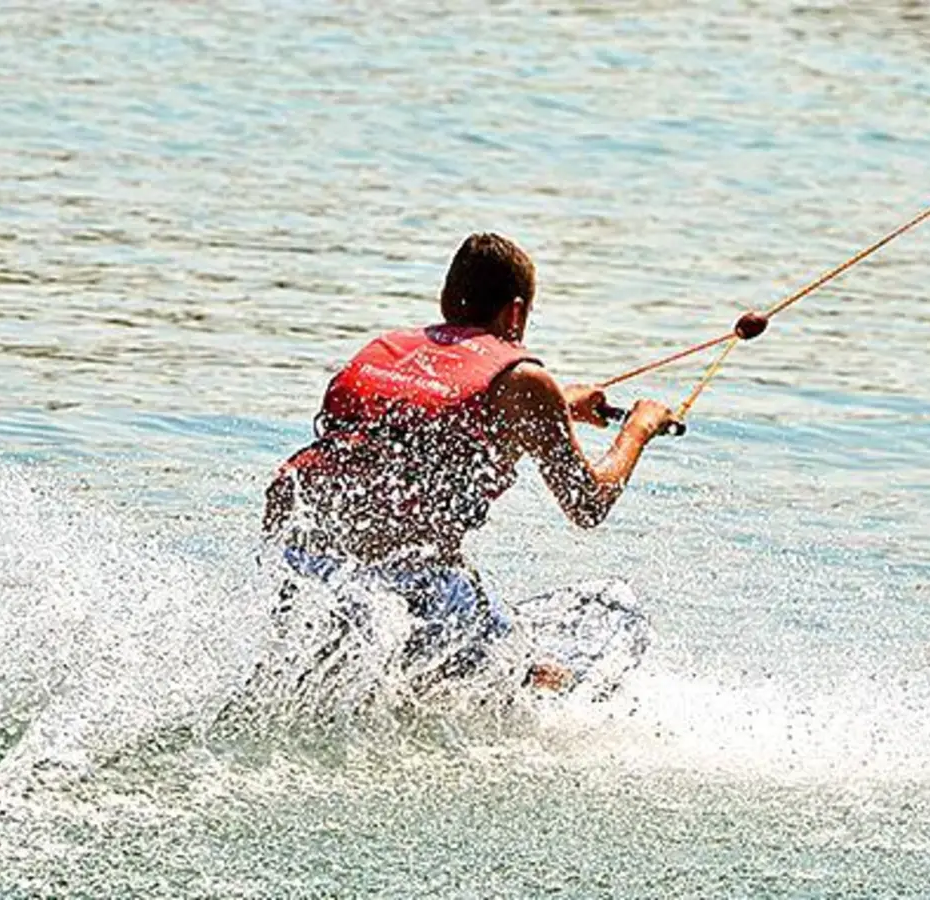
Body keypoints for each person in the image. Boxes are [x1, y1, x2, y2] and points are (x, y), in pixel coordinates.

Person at [260, 233, 677, 695]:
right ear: (516, 312)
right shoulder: (524, 383)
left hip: (304, 567)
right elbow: (587, 503)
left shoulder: (385, 352)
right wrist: (639, 428)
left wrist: (560, 408)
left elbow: (420, 435)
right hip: (411, 587)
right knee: (549, 674)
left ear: (445, 299)